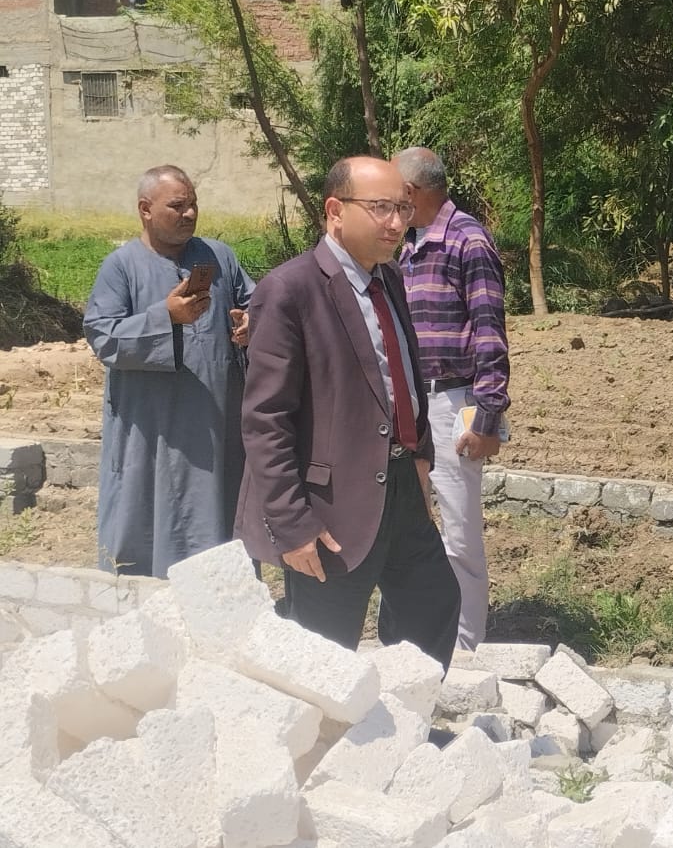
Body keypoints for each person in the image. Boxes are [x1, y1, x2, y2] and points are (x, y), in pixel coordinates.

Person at [235, 156, 460, 666]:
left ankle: (401, 711)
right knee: (325, 652)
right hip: (329, 506)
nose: (397, 223)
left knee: (433, 606)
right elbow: (266, 420)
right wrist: (292, 524)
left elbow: (402, 375)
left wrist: (419, 455)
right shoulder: (290, 290)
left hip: (400, 488)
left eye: (403, 209)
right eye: (381, 208)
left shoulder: (389, 279)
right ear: (335, 211)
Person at [84, 165, 254, 579]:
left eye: (193, 203)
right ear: (145, 209)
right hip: (151, 428)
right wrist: (166, 317)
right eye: (177, 206)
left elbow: (255, 303)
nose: (189, 213)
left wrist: (252, 323)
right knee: (148, 517)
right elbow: (103, 336)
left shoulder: (218, 256)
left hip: (216, 423)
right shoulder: (121, 266)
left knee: (221, 519)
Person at [394, 146, 510, 651]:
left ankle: (465, 648)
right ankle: (423, 637)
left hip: (453, 402)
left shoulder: (467, 240)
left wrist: (487, 416)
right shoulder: (407, 244)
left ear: (411, 192)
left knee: (459, 535)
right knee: (413, 529)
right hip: (413, 404)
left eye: (394, 196)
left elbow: (489, 331)